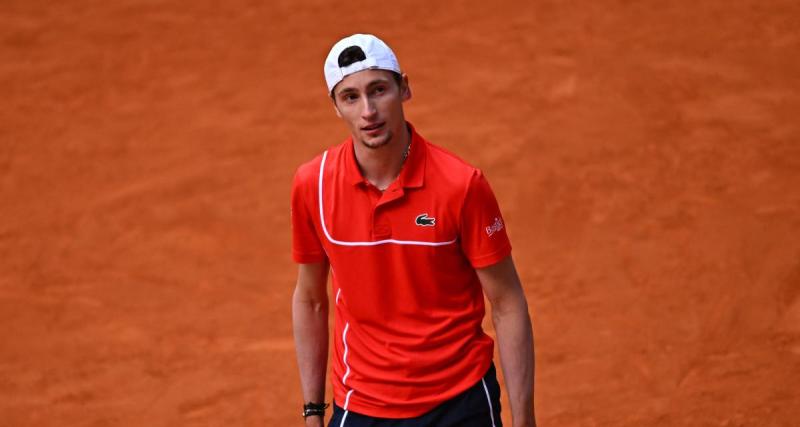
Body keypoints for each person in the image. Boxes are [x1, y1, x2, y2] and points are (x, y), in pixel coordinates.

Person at [291, 33, 536, 427]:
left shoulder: (461, 185)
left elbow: (507, 304)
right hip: (362, 404)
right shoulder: (312, 185)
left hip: (460, 402)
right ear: (336, 107)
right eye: (350, 97)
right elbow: (311, 300)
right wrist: (312, 412)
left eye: (378, 90)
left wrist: (525, 423)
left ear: (404, 88)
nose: (368, 110)